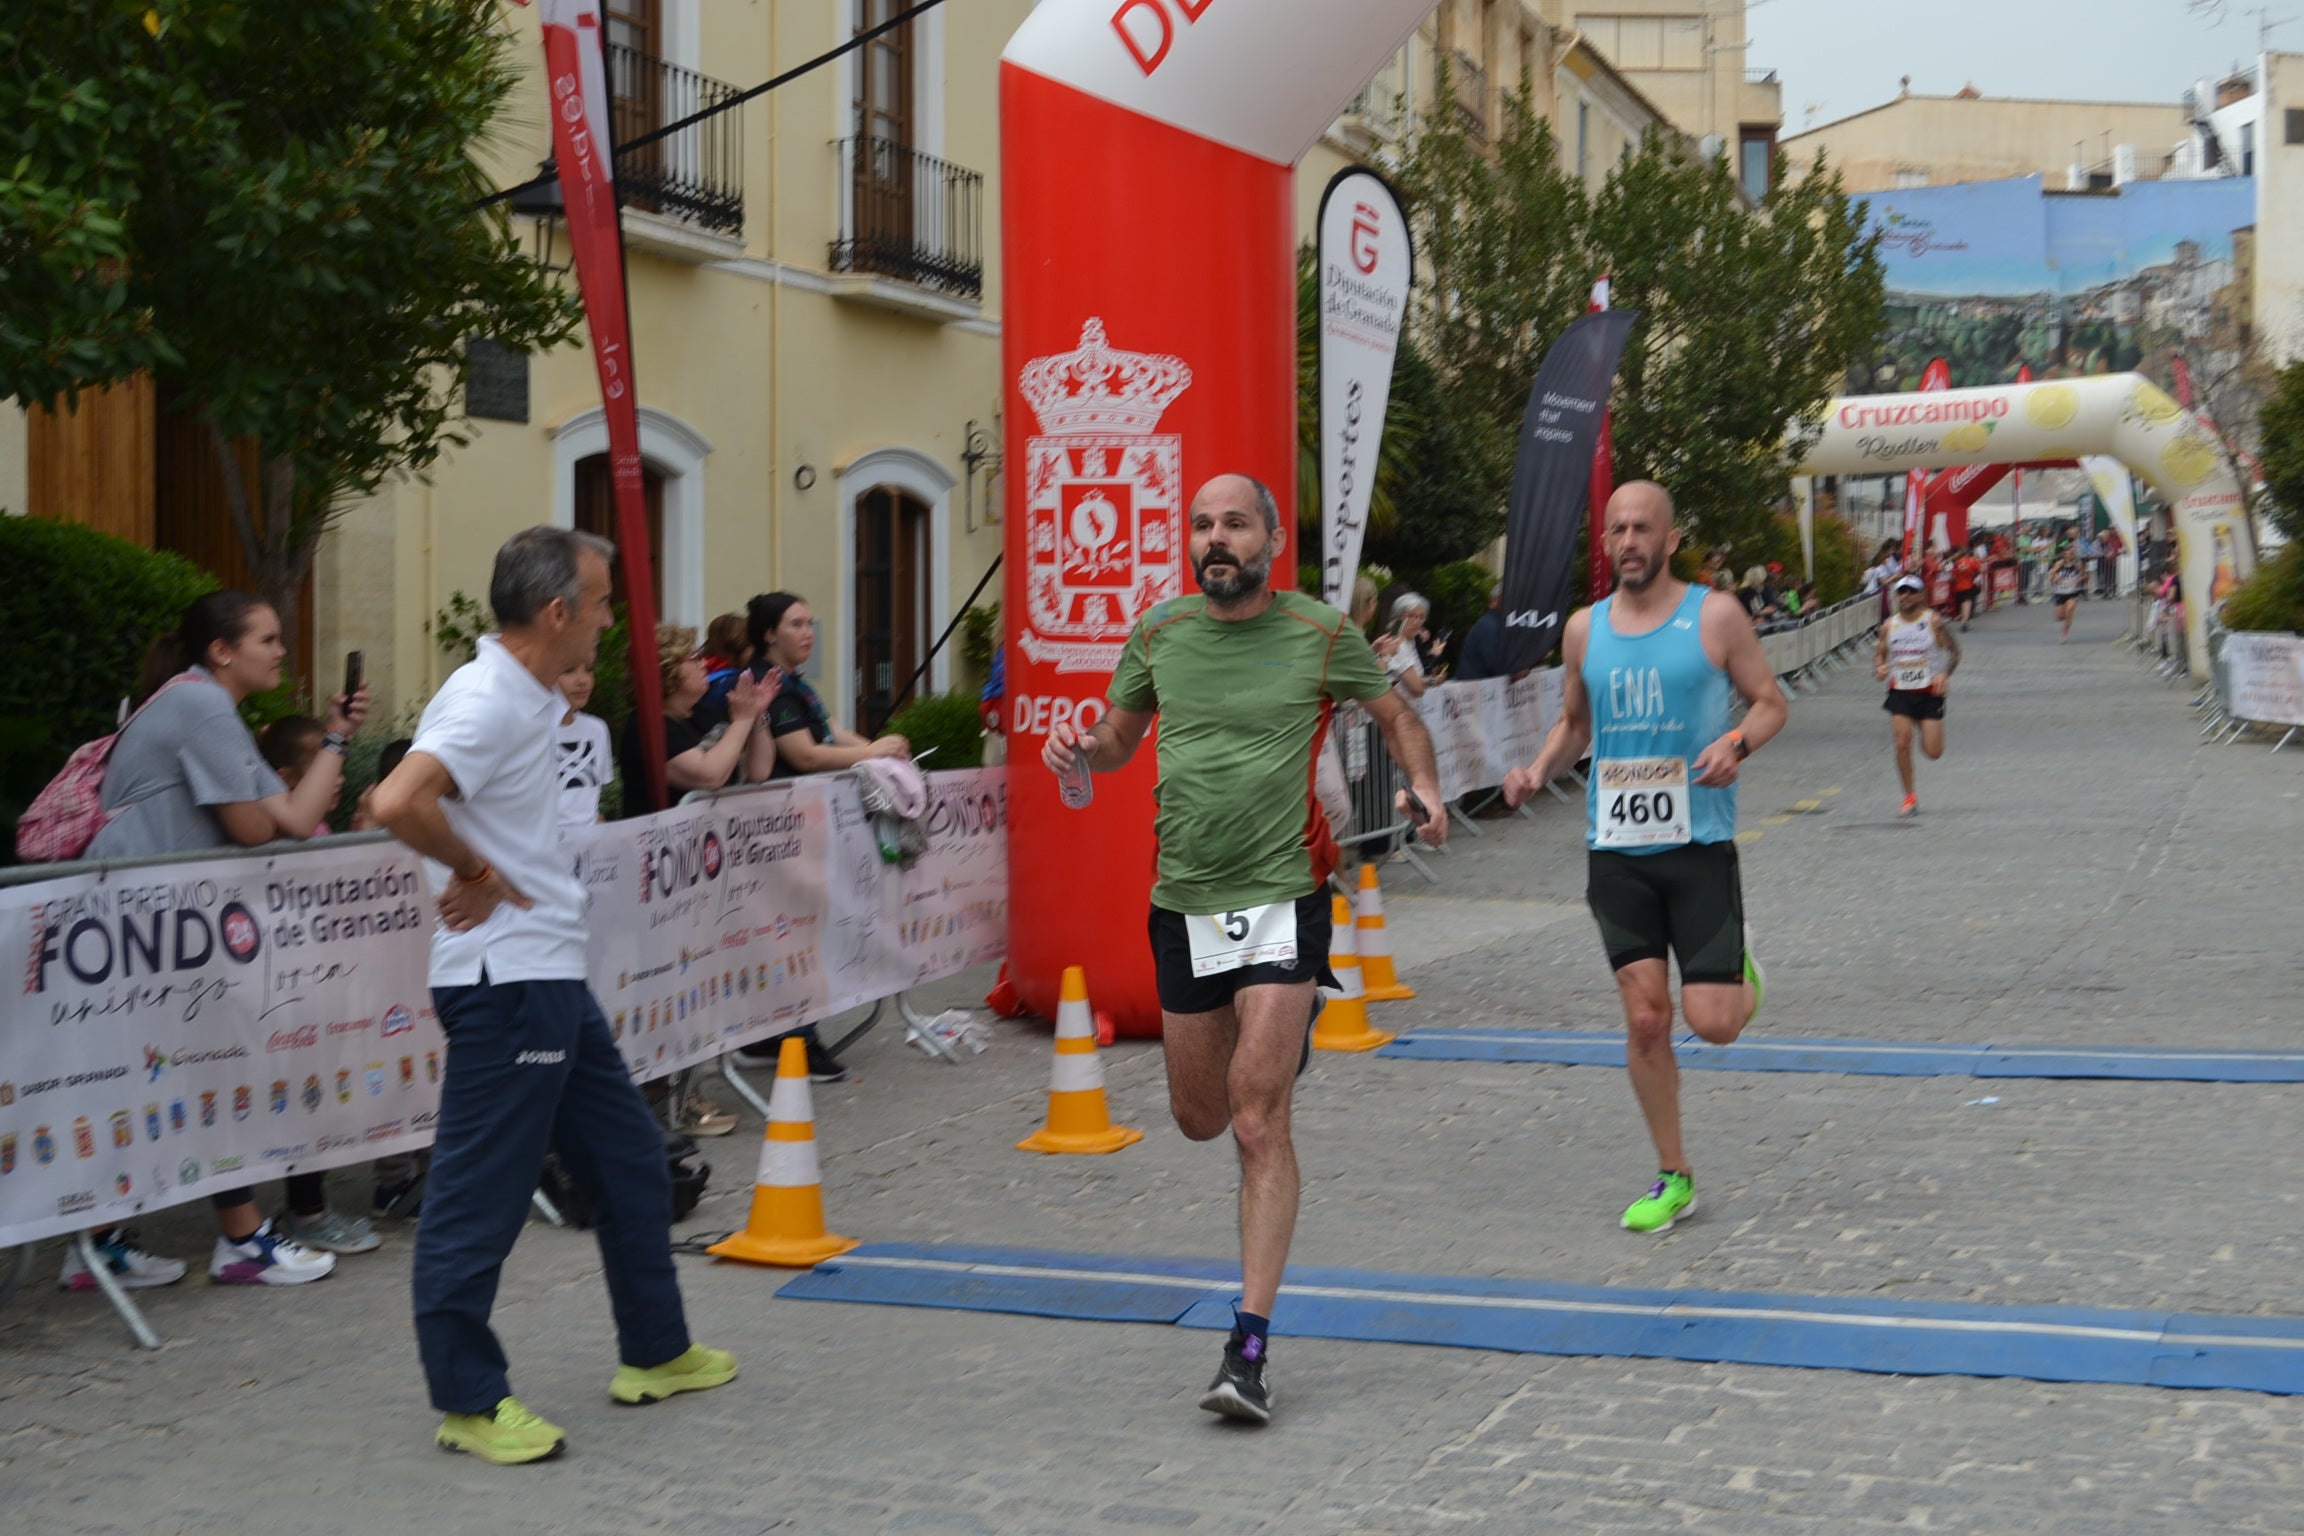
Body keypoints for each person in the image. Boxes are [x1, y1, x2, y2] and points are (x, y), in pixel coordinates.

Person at [1042, 473, 1446, 1426]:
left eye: (1234, 523)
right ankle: (1273, 1039)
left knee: (1258, 1118)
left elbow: (1395, 714)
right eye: (1201, 525)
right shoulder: (1159, 633)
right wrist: (1080, 750)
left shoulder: (1317, 632)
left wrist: (1424, 787)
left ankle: (1248, 1348)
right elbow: (1118, 740)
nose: (1215, 538)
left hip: (1283, 899)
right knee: (1199, 1116)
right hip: (1183, 900)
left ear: (1270, 538)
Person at [373, 527, 735, 1466]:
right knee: (478, 1198)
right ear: (557, 613)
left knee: (630, 1166)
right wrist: (476, 869)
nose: (612, 624)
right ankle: (469, 1401)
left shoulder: (526, 694)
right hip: (506, 986)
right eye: (606, 605)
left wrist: (480, 862)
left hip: (546, 978)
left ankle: (656, 1352)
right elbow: (397, 799)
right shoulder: (490, 695)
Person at [59, 592, 369, 1293]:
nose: (282, 650)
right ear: (222, 651)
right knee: (202, 1071)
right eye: (269, 638)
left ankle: (103, 1246)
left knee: (171, 1077)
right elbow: (261, 829)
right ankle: (240, 1244)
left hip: (148, 932)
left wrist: (336, 734)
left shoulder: (211, 708)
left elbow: (294, 813)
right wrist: (273, 812)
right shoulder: (198, 706)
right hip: (137, 929)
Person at [1501, 482, 1786, 1237]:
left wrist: (1735, 743)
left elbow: (1769, 701)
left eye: (1643, 528)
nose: (1629, 540)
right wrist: (1536, 770)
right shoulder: (1584, 629)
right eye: (1617, 529)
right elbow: (1573, 723)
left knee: (1715, 1022)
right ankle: (1674, 1175)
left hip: (1697, 843)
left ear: (1669, 538)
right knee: (1648, 1018)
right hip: (1617, 850)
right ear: (1605, 542)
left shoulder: (1716, 614)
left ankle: (1738, 971)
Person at [739, 590, 911, 1084]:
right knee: (794, 932)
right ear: (769, 632)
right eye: (796, 624)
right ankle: (795, 1039)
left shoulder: (797, 684)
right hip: (779, 832)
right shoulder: (763, 683)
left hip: (807, 830)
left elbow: (830, 732)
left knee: (803, 929)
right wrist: (872, 752)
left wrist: (882, 750)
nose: (808, 633)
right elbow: (805, 754)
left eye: (811, 623)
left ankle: (775, 1037)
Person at [255, 717, 389, 1256]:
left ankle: (310, 1205)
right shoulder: (280, 833)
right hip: (287, 997)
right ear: (286, 776)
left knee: (318, 1097)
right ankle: (305, 1211)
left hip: (324, 992)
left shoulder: (322, 831)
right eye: (322, 767)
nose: (336, 777)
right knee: (302, 1098)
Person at [616, 623, 776, 820]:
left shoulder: (705, 712)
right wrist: (742, 720)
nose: (704, 664)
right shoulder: (646, 728)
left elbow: (759, 771)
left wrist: (757, 715)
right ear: (666, 670)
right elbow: (709, 776)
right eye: (694, 658)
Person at [1874, 574, 1961, 819]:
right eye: (1902, 592)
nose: (1906, 596)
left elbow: (1955, 652)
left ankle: (1920, 722)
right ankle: (1909, 796)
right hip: (1900, 691)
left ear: (1922, 595)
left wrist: (1945, 673)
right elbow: (1880, 655)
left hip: (1928, 692)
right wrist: (1879, 667)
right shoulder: (1889, 626)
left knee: (1933, 751)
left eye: (1911, 591)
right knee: (1902, 742)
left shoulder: (1933, 621)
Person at [552, 663, 613, 831]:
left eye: (589, 669)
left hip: (591, 846)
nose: (582, 681)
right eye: (568, 670)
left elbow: (591, 800)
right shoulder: (532, 733)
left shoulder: (597, 729)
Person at [1375, 591, 1432, 698]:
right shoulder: (1397, 644)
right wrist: (1432, 681)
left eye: (1421, 617)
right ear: (1398, 619)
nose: (1417, 622)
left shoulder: (1411, 642)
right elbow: (1417, 688)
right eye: (1411, 616)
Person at [1451, 588, 1506, 683]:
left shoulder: (1494, 623)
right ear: (1495, 601)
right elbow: (1494, 663)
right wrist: (1516, 671)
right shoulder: (1489, 625)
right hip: (1472, 689)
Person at [2050, 548, 2087, 641]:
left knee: (2069, 611)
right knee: (2060, 616)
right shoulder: (2059, 564)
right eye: (2067, 554)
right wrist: (2056, 578)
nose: (2069, 556)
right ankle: (2065, 620)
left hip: (2073, 591)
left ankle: (2064, 633)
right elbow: (2051, 574)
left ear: (2073, 555)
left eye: (2071, 554)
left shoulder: (2077, 565)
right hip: (2060, 591)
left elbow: (2085, 575)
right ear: (2064, 554)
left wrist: (2079, 579)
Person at [1951, 545, 1982, 631]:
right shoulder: (1972, 561)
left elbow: (1953, 574)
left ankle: (1963, 620)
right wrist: (1975, 574)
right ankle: (1965, 621)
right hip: (1968, 585)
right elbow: (1981, 569)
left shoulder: (1957, 563)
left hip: (1958, 586)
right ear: (1968, 554)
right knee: (1967, 603)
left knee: (1962, 604)